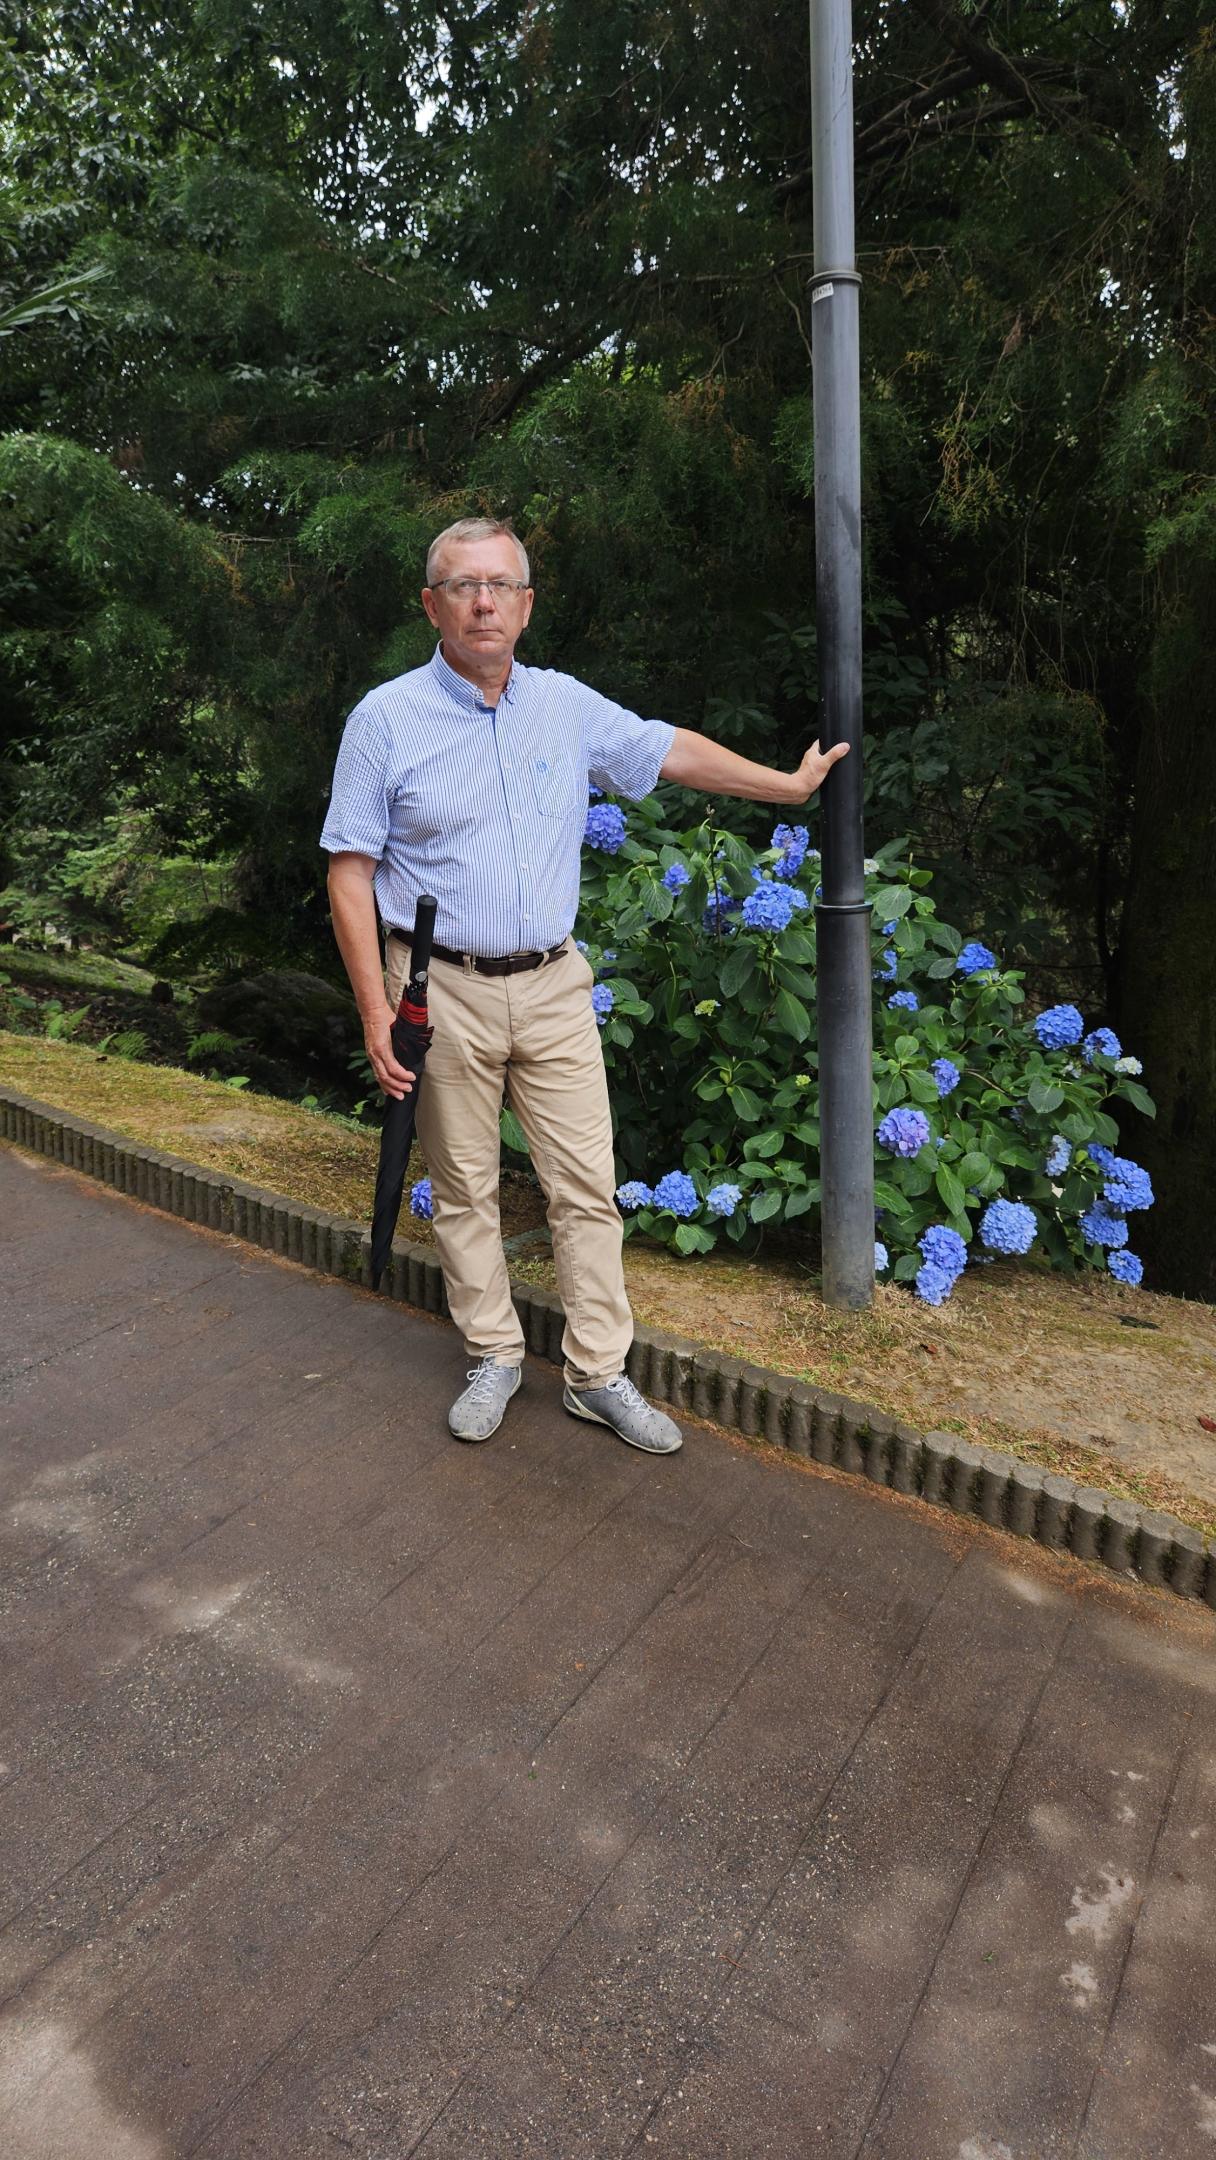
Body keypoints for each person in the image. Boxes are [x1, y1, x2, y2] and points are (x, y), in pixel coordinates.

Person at [321, 517, 847, 1456]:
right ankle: (493, 1355)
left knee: (587, 1187)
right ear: (432, 605)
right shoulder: (385, 719)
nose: (484, 602)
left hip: (555, 984)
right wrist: (374, 1011)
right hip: (438, 990)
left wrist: (788, 787)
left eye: (500, 585)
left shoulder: (564, 705)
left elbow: (663, 748)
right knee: (464, 1187)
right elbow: (349, 873)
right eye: (463, 586)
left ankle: (597, 1373)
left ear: (526, 604)